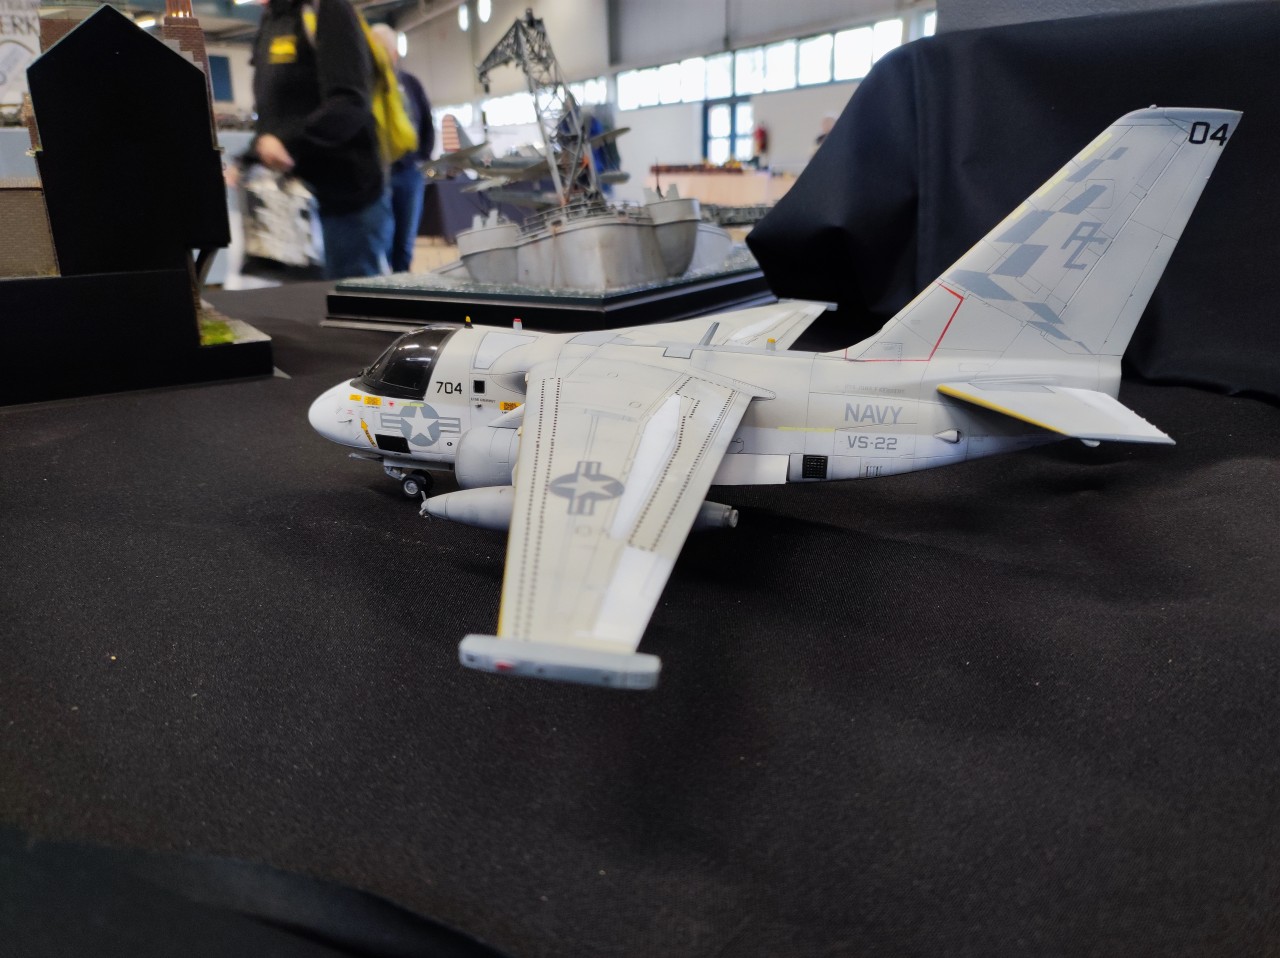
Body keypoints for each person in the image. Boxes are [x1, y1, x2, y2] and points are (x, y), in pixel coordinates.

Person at [249, 0, 390, 279]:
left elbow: (350, 102)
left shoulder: (326, 8)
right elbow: (272, 109)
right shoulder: (273, 19)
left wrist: (287, 143)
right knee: (304, 300)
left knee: (352, 298)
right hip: (295, 201)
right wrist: (253, 152)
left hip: (344, 200)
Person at [369, 23, 434, 274]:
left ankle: (402, 285)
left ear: (394, 53)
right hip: (378, 175)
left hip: (408, 174)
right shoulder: (367, 87)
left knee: (404, 244)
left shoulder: (411, 84)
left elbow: (426, 123)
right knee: (382, 242)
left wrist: (420, 159)